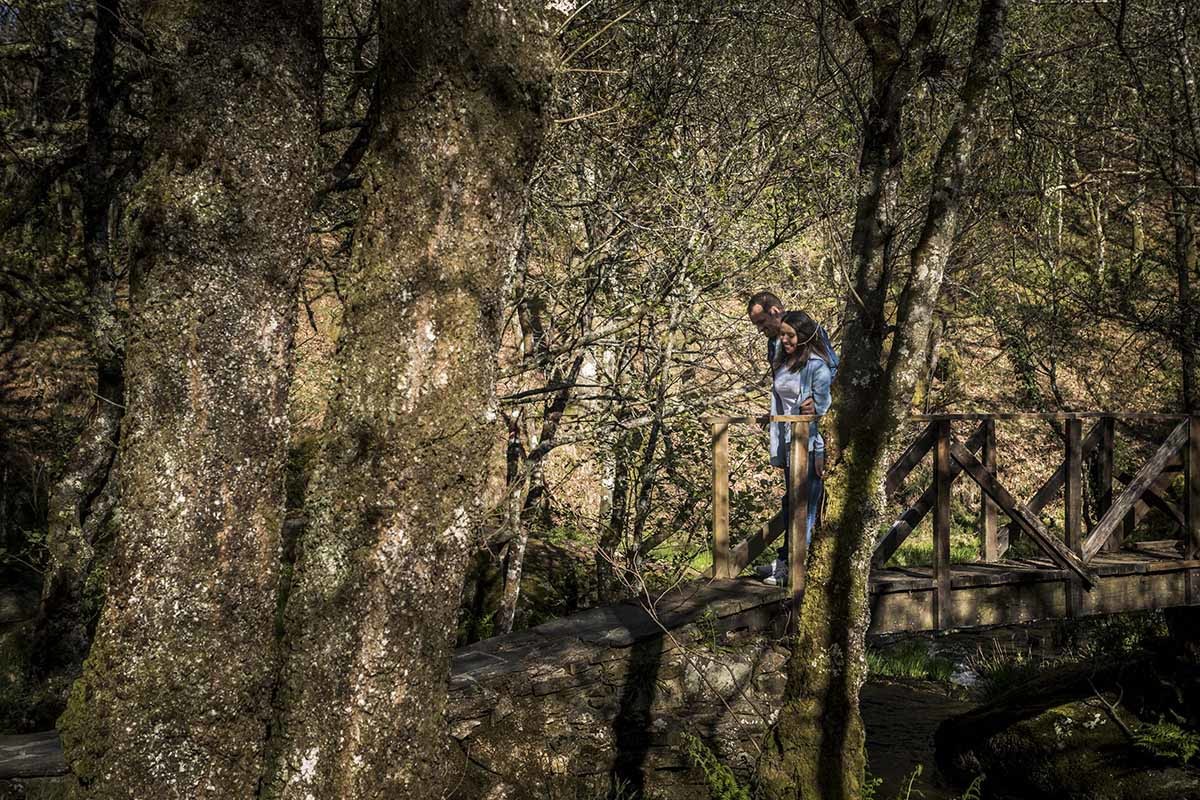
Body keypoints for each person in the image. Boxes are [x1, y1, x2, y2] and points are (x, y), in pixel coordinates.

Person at [756, 310, 833, 586]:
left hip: (809, 445)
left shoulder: (817, 367)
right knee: (791, 503)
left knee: (805, 508)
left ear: (804, 336)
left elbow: (823, 411)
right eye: (782, 335)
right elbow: (783, 400)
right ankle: (786, 561)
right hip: (789, 441)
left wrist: (820, 453)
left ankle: (794, 571)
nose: (785, 340)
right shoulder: (783, 360)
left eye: (790, 335)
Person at [746, 290, 839, 382]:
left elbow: (832, 371)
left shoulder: (806, 328)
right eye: (756, 325)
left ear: (775, 312)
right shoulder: (772, 343)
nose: (760, 329)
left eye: (761, 322)